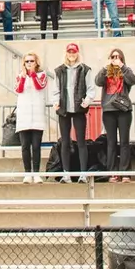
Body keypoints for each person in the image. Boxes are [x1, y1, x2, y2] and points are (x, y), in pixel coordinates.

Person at [52, 44, 93, 182]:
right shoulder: (59, 70)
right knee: (65, 141)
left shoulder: (85, 69)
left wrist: (86, 101)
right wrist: (56, 102)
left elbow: (91, 89)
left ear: (77, 53)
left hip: (78, 109)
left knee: (81, 141)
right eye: (69, 52)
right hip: (64, 110)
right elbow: (56, 89)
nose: (71, 54)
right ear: (66, 53)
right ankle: (66, 173)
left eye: (73, 52)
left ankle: (83, 173)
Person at [95, 48, 135, 181]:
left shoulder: (126, 70)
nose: (115, 59)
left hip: (123, 109)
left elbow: (132, 80)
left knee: (124, 142)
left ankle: (125, 173)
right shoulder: (106, 71)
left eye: (118, 57)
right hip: (109, 110)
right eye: (113, 57)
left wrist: (122, 67)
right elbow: (98, 81)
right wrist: (105, 68)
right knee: (111, 142)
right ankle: (112, 172)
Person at [14, 53, 49, 182]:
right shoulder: (20, 76)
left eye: (32, 61)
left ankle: (36, 173)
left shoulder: (42, 74)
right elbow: (18, 89)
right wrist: (23, 76)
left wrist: (33, 74)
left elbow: (40, 85)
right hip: (24, 114)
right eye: (27, 61)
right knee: (25, 146)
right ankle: (27, 173)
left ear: (36, 62)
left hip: (37, 114)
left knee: (36, 146)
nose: (29, 63)